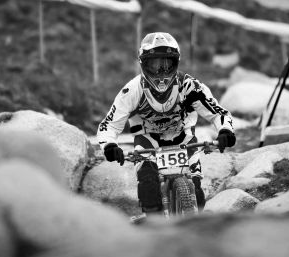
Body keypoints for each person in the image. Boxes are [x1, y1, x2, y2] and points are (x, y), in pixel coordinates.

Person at [97, 32, 236, 215]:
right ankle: (156, 230)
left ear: (176, 63)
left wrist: (225, 130)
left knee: (198, 196)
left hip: (183, 138)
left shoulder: (190, 86)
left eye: (166, 64)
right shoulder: (131, 91)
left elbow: (217, 113)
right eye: (154, 65)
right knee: (148, 187)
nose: (160, 72)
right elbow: (110, 125)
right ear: (143, 64)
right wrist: (109, 146)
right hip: (148, 140)